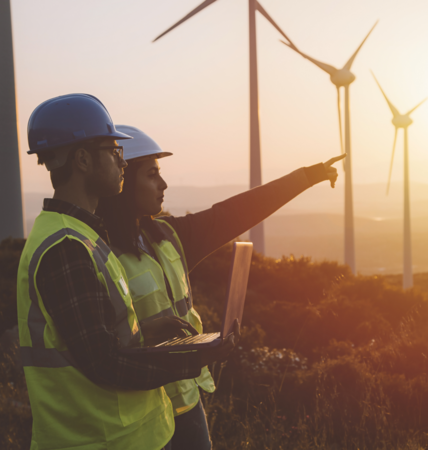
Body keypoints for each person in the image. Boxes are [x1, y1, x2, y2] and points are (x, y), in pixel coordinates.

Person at [95, 124, 345, 449]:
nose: (163, 184)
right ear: (124, 181)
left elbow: (235, 213)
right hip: (137, 411)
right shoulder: (95, 251)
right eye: (152, 175)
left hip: (185, 399)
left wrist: (306, 177)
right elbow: (99, 346)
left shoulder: (169, 237)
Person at [16, 94, 233, 450]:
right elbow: (105, 364)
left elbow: (89, 340)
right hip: (100, 440)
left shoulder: (83, 235)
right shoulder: (66, 249)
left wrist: (147, 330)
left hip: (129, 437)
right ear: (83, 159)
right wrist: (190, 361)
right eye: (114, 151)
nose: (122, 161)